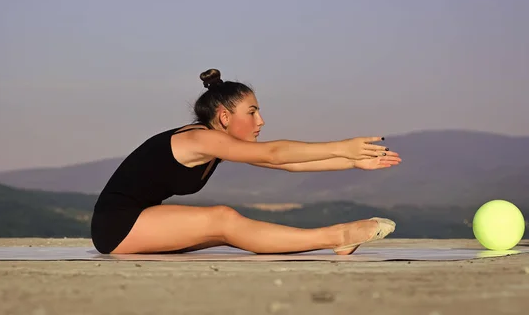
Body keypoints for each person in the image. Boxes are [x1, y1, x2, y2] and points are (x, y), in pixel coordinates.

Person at [91, 69, 402, 255]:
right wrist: (343, 146)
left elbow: (285, 164)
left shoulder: (217, 145)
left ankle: (336, 240)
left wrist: (350, 162)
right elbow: (274, 153)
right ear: (224, 117)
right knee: (223, 219)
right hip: (118, 226)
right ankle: (338, 236)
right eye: (252, 112)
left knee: (232, 230)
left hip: (142, 219)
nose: (261, 121)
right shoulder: (201, 140)